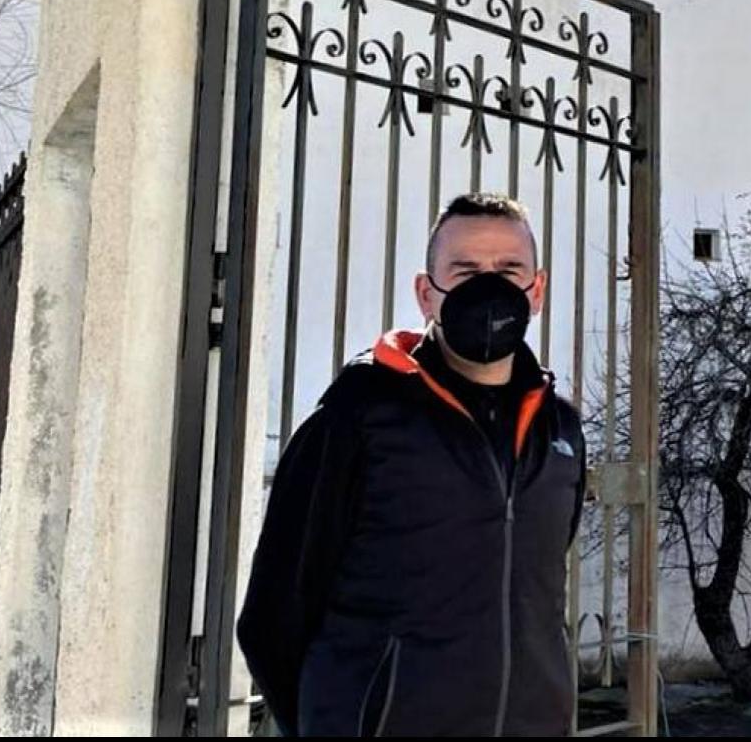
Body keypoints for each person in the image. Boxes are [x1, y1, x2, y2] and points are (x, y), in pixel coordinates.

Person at [236, 193, 587, 736]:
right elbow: (273, 615)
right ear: (427, 294)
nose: (489, 287)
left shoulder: (559, 430)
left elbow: (538, 594)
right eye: (465, 270)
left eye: (509, 270)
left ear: (536, 290)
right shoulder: (356, 418)